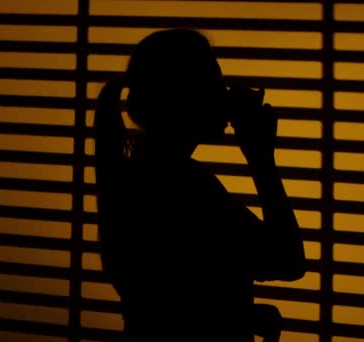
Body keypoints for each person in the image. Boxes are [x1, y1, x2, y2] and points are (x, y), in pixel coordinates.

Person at [93, 28, 306, 342]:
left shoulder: (137, 174)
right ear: (184, 96)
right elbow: (287, 260)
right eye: (216, 83)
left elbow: (175, 298)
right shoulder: (185, 187)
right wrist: (261, 158)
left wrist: (241, 315)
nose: (227, 92)